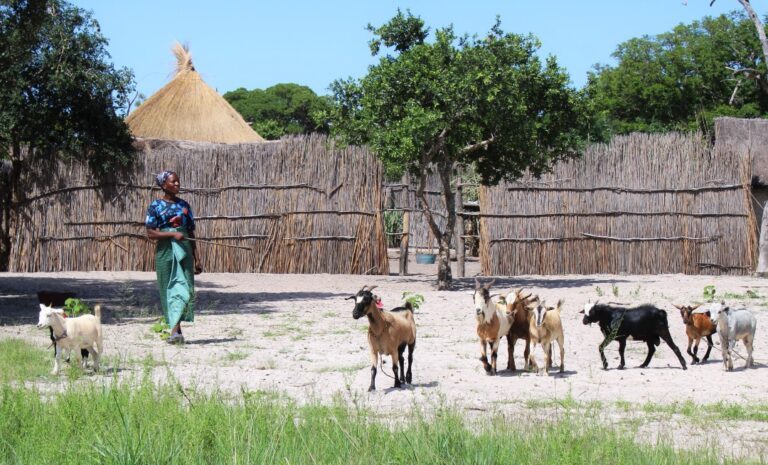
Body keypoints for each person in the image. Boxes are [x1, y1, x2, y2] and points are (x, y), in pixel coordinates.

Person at [145, 170, 202, 344]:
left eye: (178, 181)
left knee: (185, 286)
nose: (177, 184)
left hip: (184, 249)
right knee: (169, 287)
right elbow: (150, 233)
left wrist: (197, 257)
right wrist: (171, 235)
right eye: (173, 182)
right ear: (163, 185)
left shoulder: (184, 206)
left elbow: (190, 231)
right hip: (166, 251)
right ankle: (175, 330)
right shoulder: (155, 206)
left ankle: (176, 329)